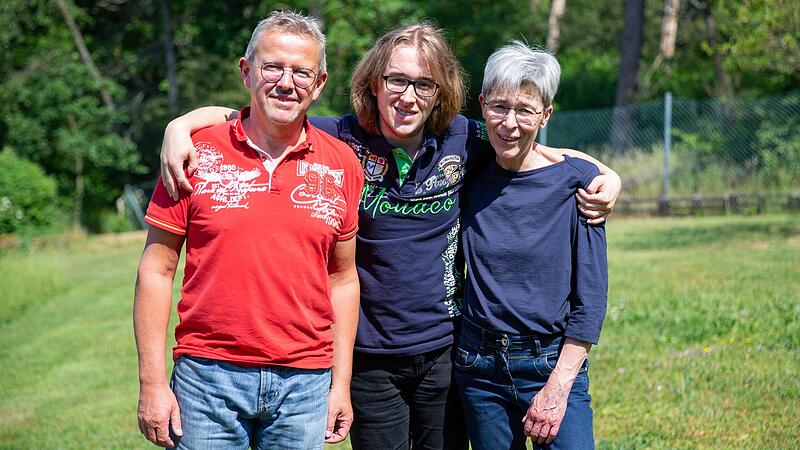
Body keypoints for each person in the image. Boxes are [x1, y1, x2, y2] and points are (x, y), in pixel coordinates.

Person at [158, 23, 620, 450]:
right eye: (396, 80)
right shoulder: (340, 138)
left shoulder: (463, 138)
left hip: (445, 350)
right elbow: (261, 111)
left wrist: (606, 175)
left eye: (424, 84)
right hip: (369, 356)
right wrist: (181, 125)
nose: (408, 96)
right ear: (374, 84)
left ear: (441, 94)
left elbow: (527, 145)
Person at [133, 11, 363, 450]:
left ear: (319, 83)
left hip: (306, 384)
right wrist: (152, 383)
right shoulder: (193, 154)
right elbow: (157, 270)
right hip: (207, 379)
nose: (286, 82)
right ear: (246, 71)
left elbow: (343, 278)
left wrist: (340, 384)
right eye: (272, 66)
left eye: (301, 72)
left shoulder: (341, 164)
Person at [454, 41, 608, 450]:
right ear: (482, 104)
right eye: (499, 106)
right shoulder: (469, 168)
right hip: (477, 365)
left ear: (545, 115)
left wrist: (558, 387)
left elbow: (590, 300)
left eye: (524, 109)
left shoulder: (577, 183)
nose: (509, 123)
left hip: (550, 362)